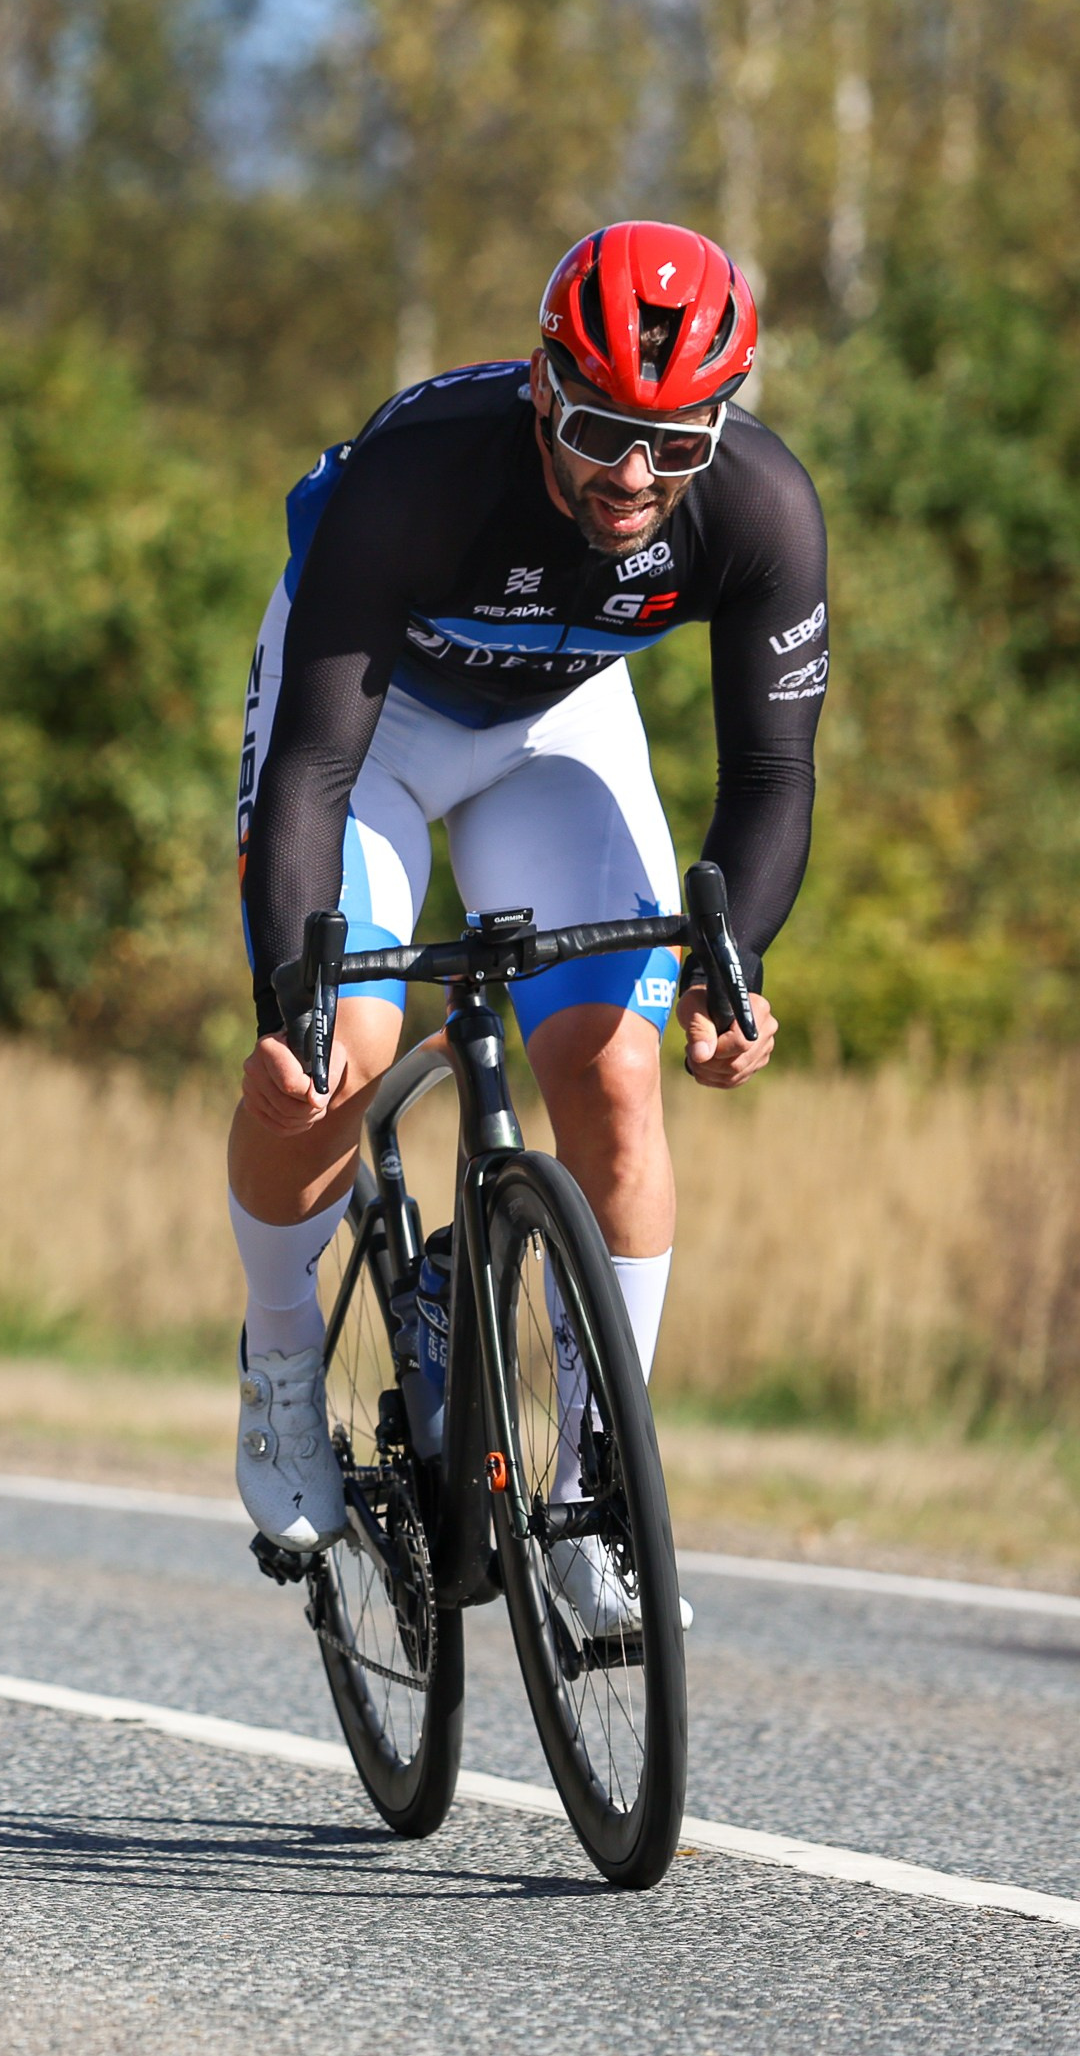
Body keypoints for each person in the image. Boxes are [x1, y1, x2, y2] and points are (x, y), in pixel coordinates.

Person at [229, 220, 825, 1631]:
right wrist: (287, 1003)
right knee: (348, 1048)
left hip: (558, 730)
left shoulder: (762, 509)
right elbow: (308, 771)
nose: (636, 476)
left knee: (616, 1082)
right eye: (607, 428)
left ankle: (602, 1491)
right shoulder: (423, 477)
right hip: (371, 725)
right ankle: (277, 1355)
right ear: (545, 388)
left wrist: (730, 972)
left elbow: (772, 780)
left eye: (677, 444)